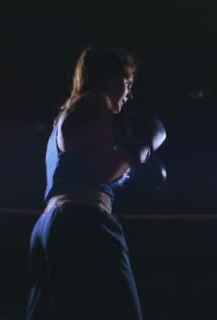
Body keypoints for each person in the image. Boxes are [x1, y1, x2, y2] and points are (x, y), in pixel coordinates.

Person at [26, 47, 166, 320]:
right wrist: (141, 150)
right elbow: (104, 170)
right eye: (127, 84)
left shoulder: (65, 116)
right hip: (84, 223)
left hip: (50, 225)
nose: (129, 93)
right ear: (109, 79)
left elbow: (83, 177)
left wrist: (122, 178)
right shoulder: (96, 102)